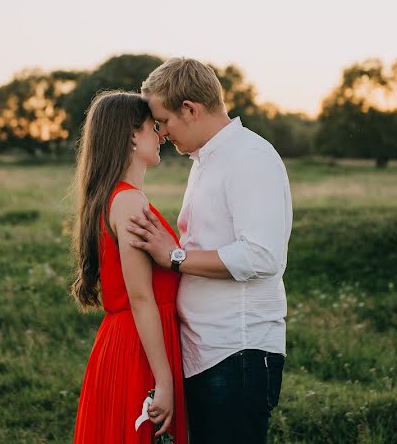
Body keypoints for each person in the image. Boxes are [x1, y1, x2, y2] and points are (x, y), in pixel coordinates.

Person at [126, 58, 292, 444]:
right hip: (207, 351)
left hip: (237, 354)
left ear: (190, 109)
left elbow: (262, 256)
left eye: (163, 120)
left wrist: (175, 257)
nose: (161, 133)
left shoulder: (249, 158)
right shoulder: (207, 160)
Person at [71, 91, 188, 443]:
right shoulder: (129, 202)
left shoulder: (113, 197)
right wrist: (163, 382)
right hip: (140, 349)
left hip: (127, 341)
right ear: (133, 136)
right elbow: (140, 297)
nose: (161, 135)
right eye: (154, 127)